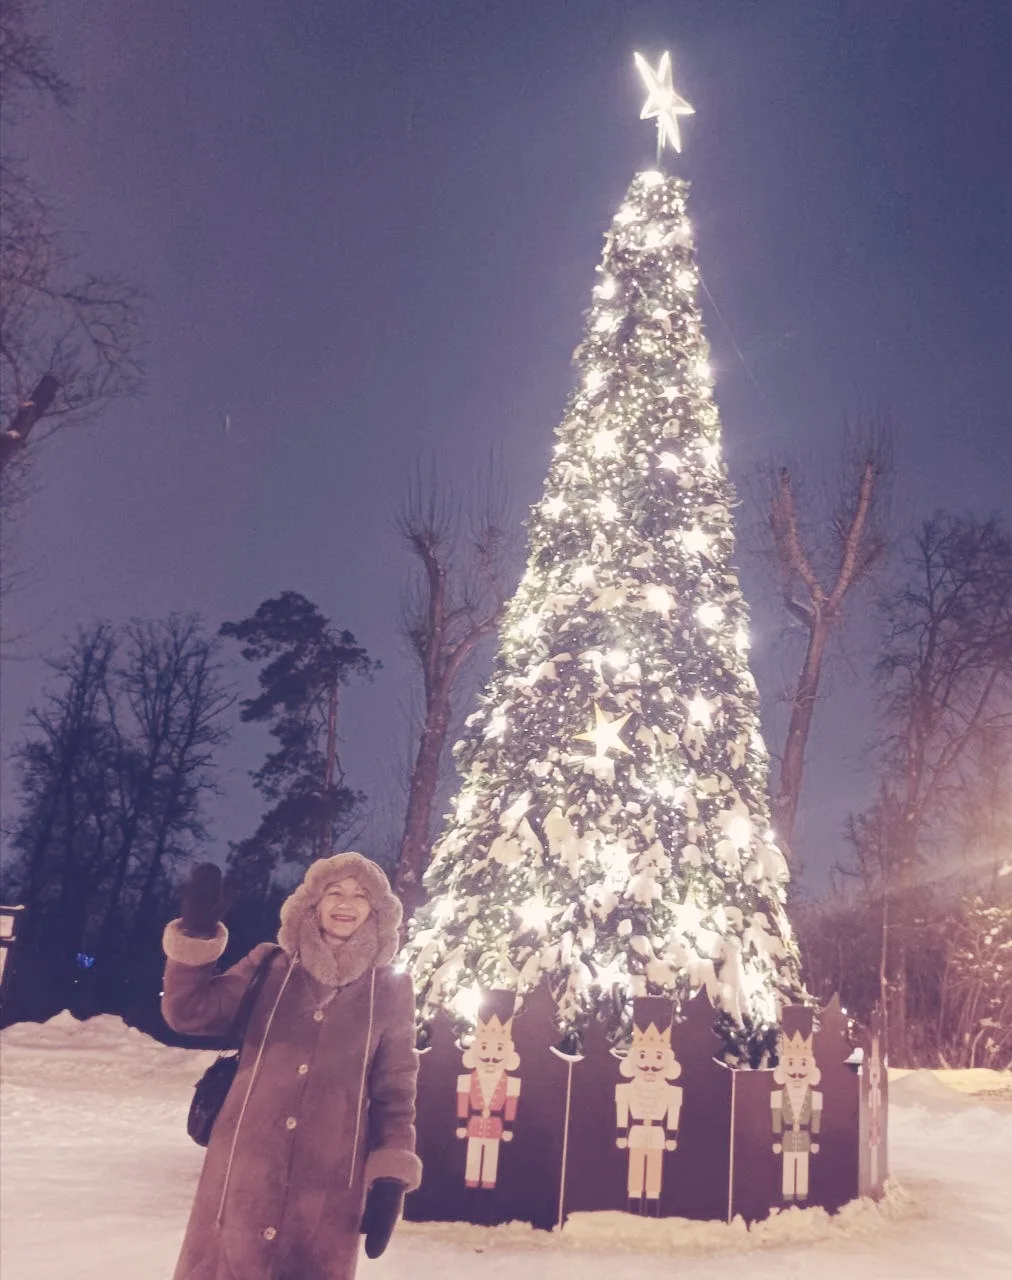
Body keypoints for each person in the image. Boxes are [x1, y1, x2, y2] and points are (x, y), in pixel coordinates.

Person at [162, 852, 421, 1280]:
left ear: (377, 911)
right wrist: (196, 937)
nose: (346, 903)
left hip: (329, 1189)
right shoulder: (270, 966)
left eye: (360, 895)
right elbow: (188, 1012)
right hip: (242, 1176)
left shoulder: (391, 990)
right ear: (312, 902)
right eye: (334, 891)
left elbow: (395, 1092)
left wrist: (391, 1176)